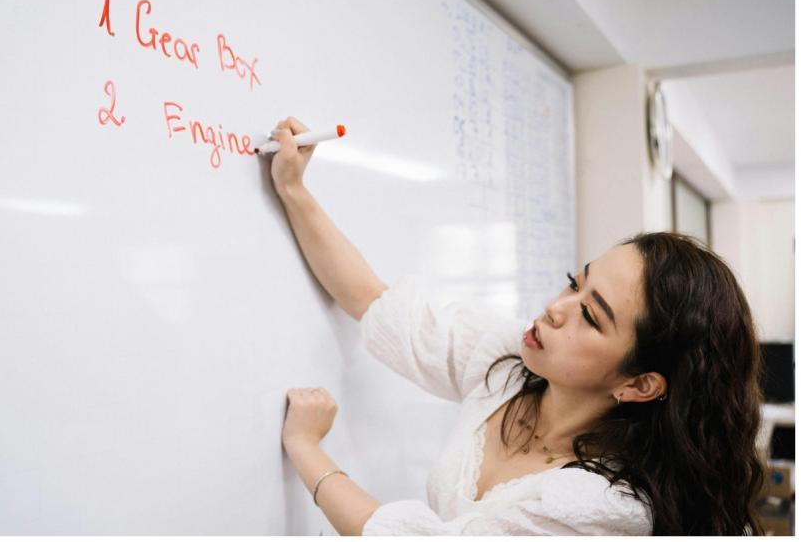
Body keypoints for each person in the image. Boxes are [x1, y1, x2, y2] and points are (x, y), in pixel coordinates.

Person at [273, 117, 766, 535]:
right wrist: (294, 190)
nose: (557, 307)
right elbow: (373, 301)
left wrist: (305, 447)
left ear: (639, 384)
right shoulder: (512, 362)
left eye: (591, 316)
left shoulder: (607, 503)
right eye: (575, 282)